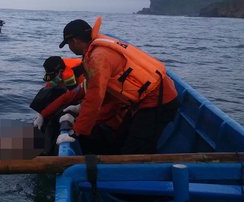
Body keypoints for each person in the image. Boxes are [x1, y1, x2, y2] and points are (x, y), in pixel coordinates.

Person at [57, 16, 180, 155]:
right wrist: (80, 109)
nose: (70, 48)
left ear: (74, 41)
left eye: (68, 44)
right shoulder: (98, 47)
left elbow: (95, 97)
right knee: (119, 142)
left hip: (158, 101)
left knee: (134, 150)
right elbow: (107, 93)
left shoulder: (98, 58)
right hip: (145, 100)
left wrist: (77, 132)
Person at [30, 56, 85, 155]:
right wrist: (41, 114)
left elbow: (69, 96)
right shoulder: (58, 65)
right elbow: (49, 86)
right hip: (73, 89)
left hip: (81, 90)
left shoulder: (71, 75)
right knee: (47, 93)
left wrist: (43, 114)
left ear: (60, 71)